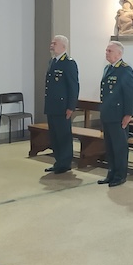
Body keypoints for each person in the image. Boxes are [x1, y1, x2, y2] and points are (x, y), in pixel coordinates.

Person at [98, 41, 133, 187]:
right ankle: (111, 173)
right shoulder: (108, 68)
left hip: (118, 115)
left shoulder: (125, 70)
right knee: (109, 146)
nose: (106, 53)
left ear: (119, 54)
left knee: (119, 147)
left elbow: (130, 93)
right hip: (108, 114)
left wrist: (128, 114)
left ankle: (120, 175)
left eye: (110, 51)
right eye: (106, 50)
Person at [44, 35, 79, 174]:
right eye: (52, 43)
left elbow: (73, 87)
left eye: (55, 43)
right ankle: (58, 161)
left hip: (62, 107)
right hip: (52, 106)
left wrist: (71, 107)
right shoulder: (52, 61)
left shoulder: (69, 63)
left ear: (63, 46)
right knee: (54, 136)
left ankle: (65, 163)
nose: (51, 45)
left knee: (63, 136)